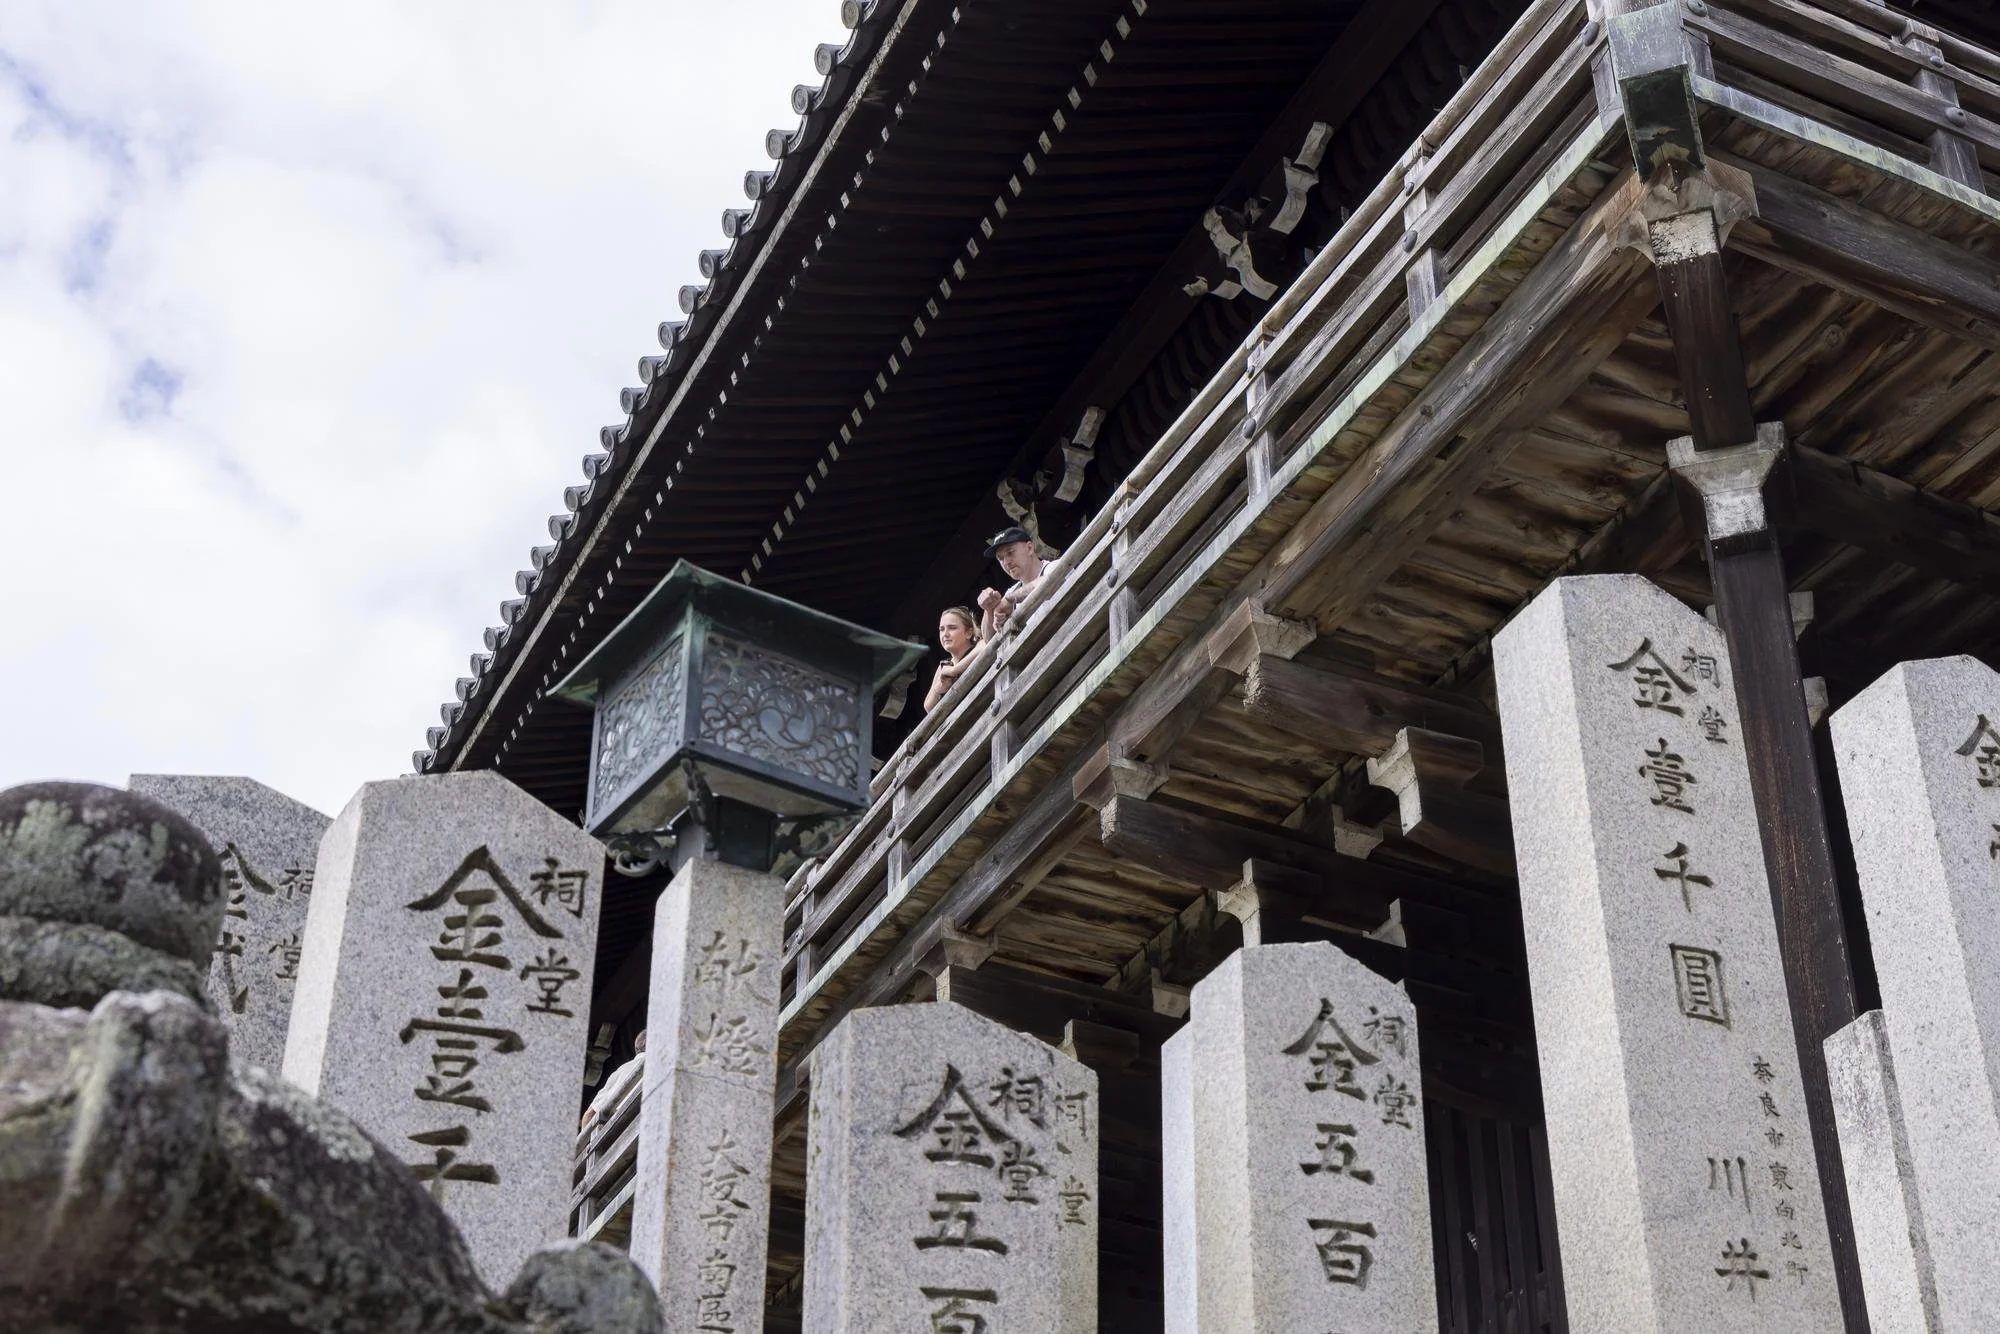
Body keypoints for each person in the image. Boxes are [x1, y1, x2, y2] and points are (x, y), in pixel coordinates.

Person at [977, 525, 1053, 639]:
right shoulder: (1012, 591)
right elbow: (989, 640)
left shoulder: (1053, 566)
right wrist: (989, 609)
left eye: (1010, 552)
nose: (1006, 562)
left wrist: (1010, 600)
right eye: (1000, 558)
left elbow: (1050, 581)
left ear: (1029, 548)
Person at [923, 606, 981, 713]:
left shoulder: (979, 645)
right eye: (942, 629)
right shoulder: (943, 666)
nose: (945, 634)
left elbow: (986, 645)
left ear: (969, 633)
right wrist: (938, 690)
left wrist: (955, 670)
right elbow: (928, 707)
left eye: (952, 628)